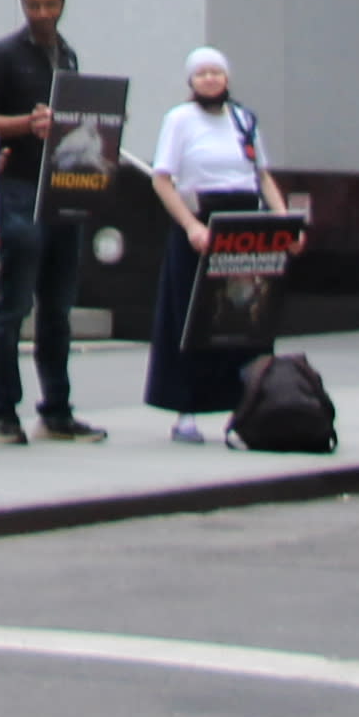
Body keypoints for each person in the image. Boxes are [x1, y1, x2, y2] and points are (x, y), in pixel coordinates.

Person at [0, 0, 105, 447]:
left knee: (58, 305)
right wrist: (27, 125)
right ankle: (1, 412)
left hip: (64, 189)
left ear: (62, 3)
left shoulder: (66, 55)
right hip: (20, 187)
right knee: (14, 301)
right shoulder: (3, 55)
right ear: (22, 4)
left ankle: (56, 409)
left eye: (50, 4)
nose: (42, 13)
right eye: (33, 5)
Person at [142, 45, 293, 443]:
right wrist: (192, 226)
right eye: (202, 73)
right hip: (201, 228)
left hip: (244, 225)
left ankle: (249, 405)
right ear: (191, 81)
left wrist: (283, 223)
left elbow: (262, 176)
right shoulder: (179, 120)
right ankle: (186, 410)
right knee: (192, 321)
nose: (210, 79)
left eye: (217, 72)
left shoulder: (244, 120)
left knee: (246, 319)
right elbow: (162, 180)